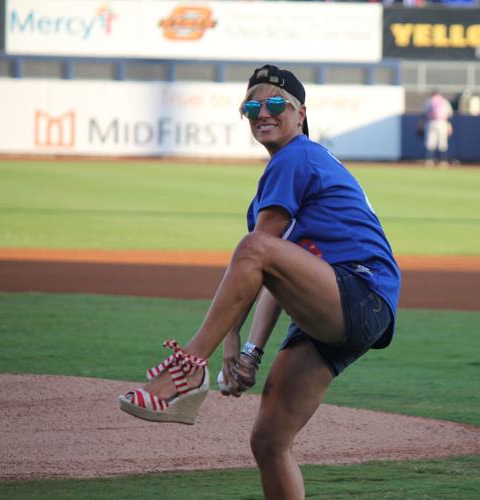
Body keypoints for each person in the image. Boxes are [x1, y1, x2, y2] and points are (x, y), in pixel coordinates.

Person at [119, 64, 401, 499]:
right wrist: (247, 350)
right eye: (252, 106)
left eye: (275, 104)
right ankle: (196, 372)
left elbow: (259, 254)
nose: (262, 113)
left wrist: (224, 343)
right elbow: (272, 276)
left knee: (252, 247)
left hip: (358, 293)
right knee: (269, 442)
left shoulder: (297, 155)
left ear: (301, 113)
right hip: (333, 310)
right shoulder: (284, 175)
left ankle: (187, 370)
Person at [419, 89, 453, 167]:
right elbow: (449, 114)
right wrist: (449, 125)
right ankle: (443, 161)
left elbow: (424, 114)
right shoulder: (445, 101)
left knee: (430, 142)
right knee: (443, 142)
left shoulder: (429, 101)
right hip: (442, 122)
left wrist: (420, 125)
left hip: (432, 122)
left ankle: (429, 161)